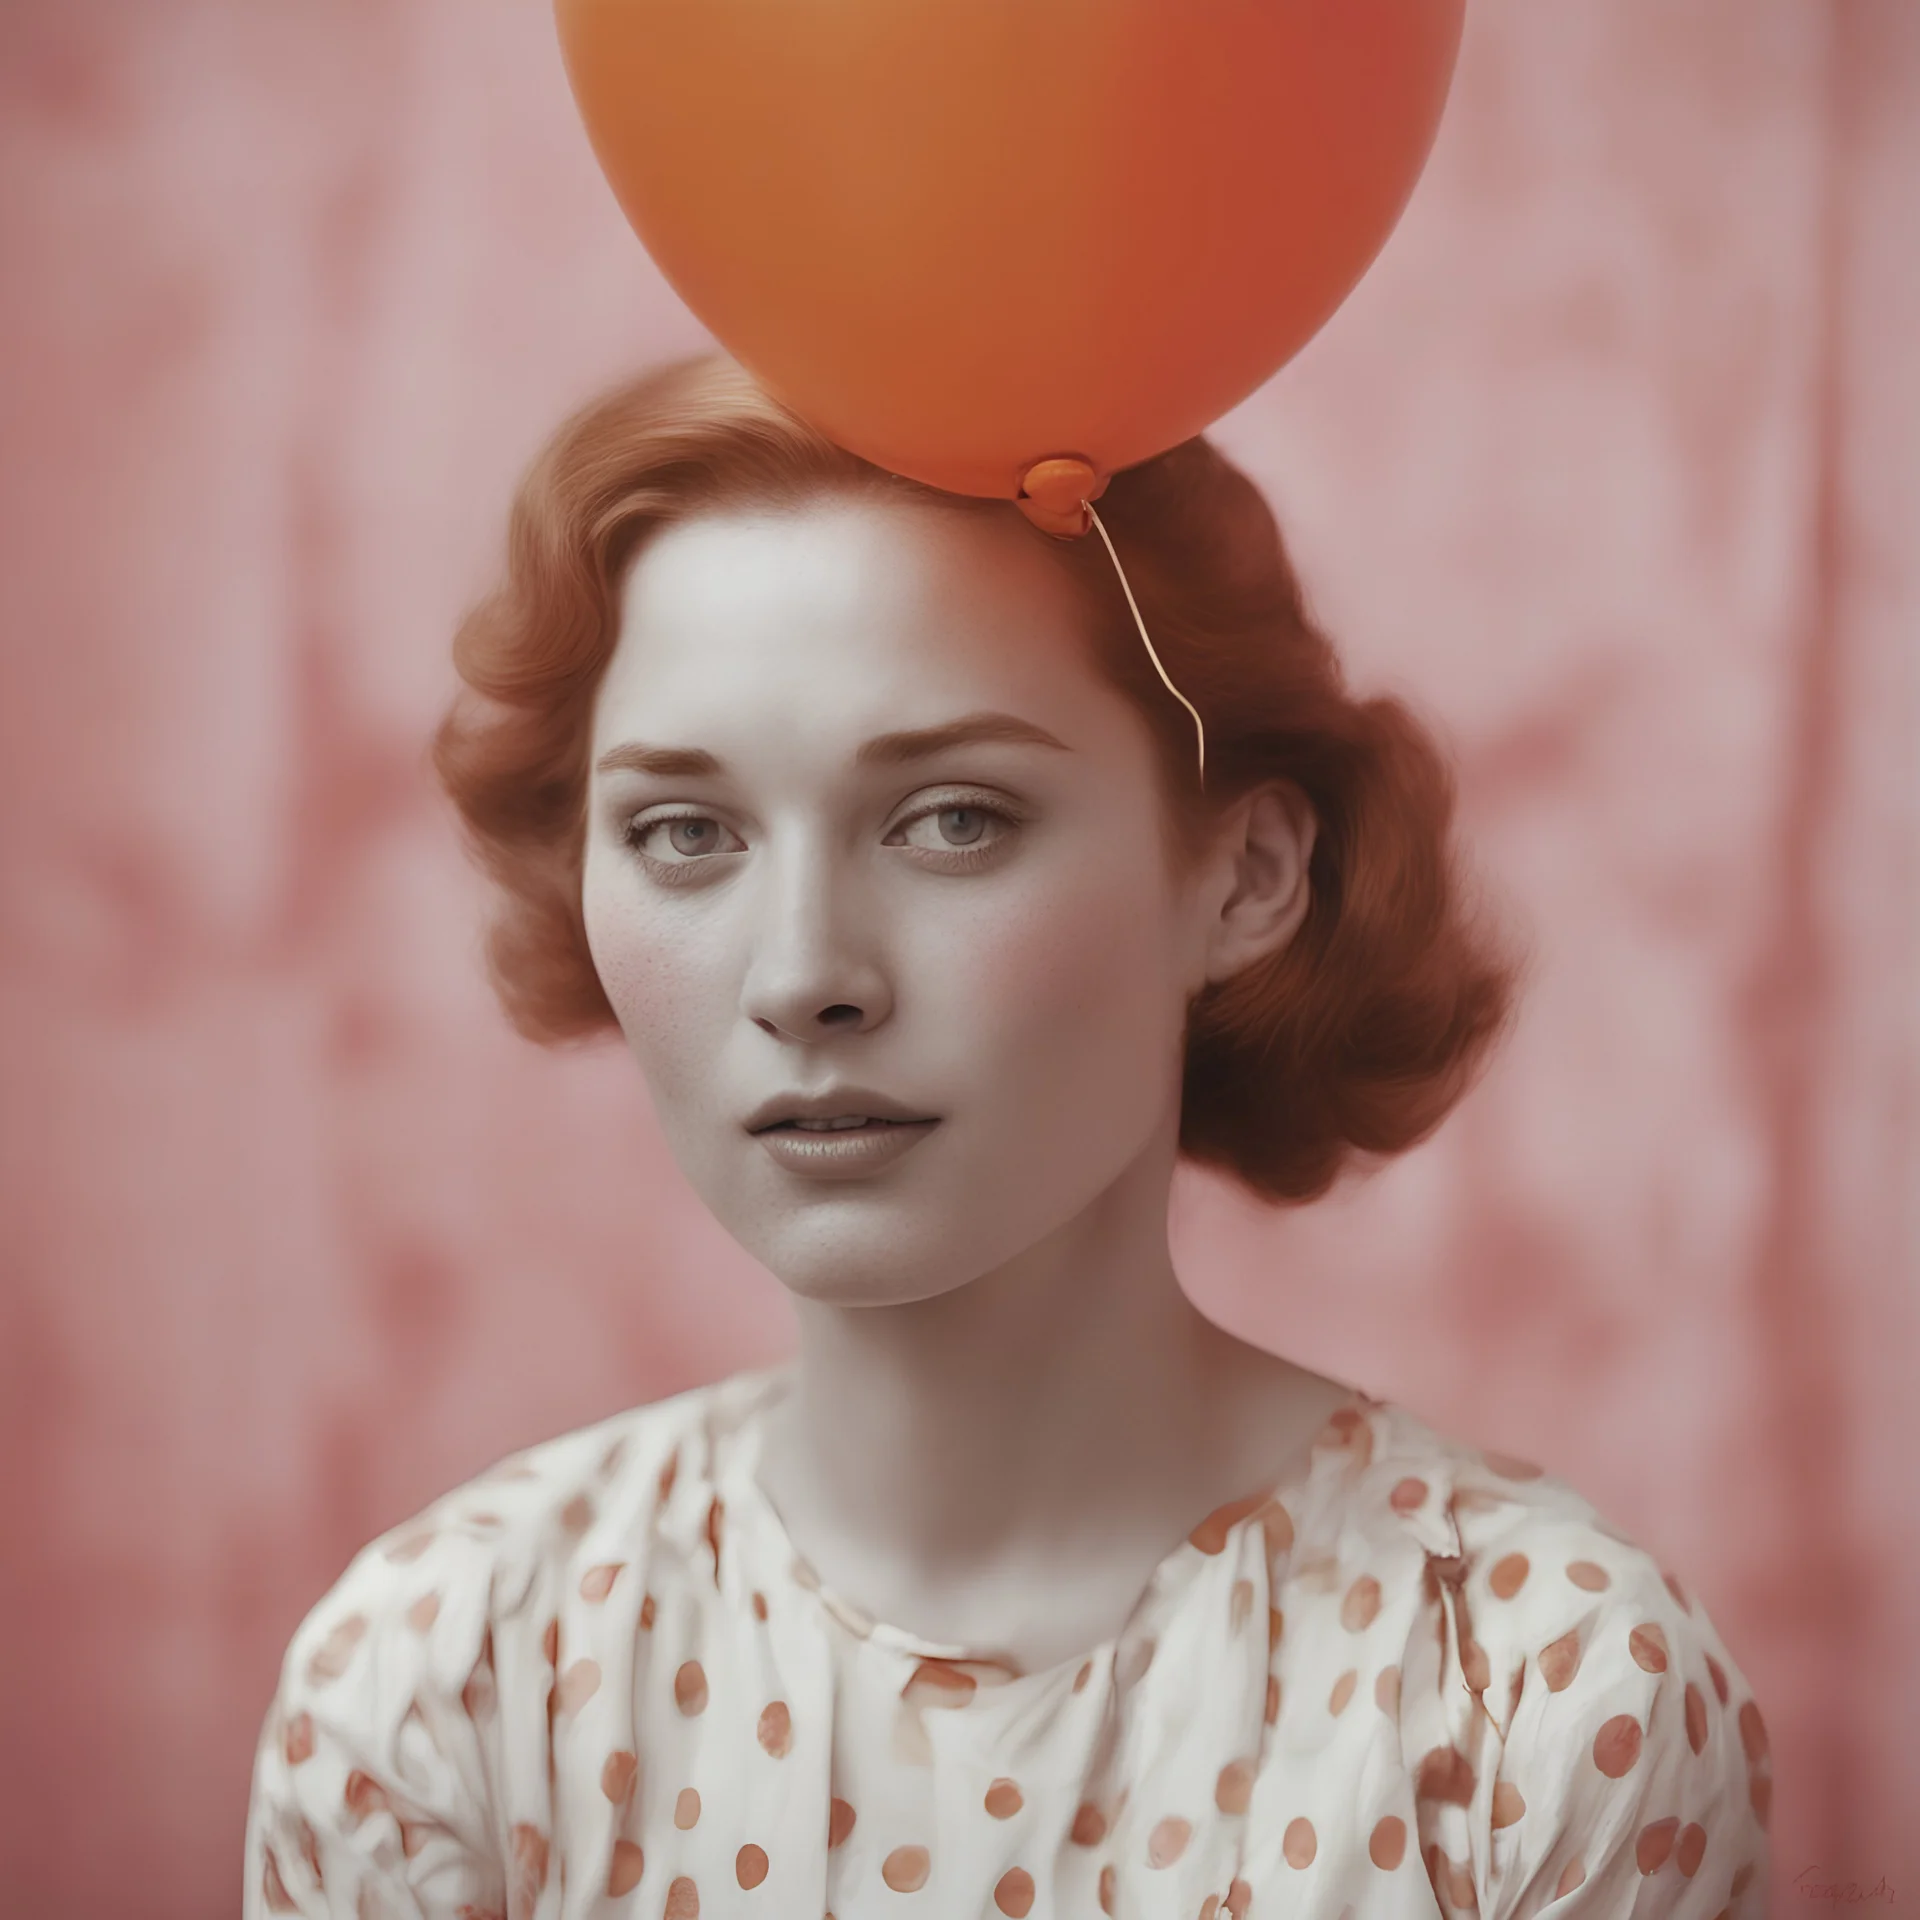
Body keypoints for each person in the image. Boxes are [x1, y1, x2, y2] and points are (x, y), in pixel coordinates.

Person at [243, 353, 1771, 1919]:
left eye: (953, 818)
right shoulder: (440, 1689)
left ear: (1242, 875)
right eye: (684, 834)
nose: (802, 977)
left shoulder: (1542, 1703)